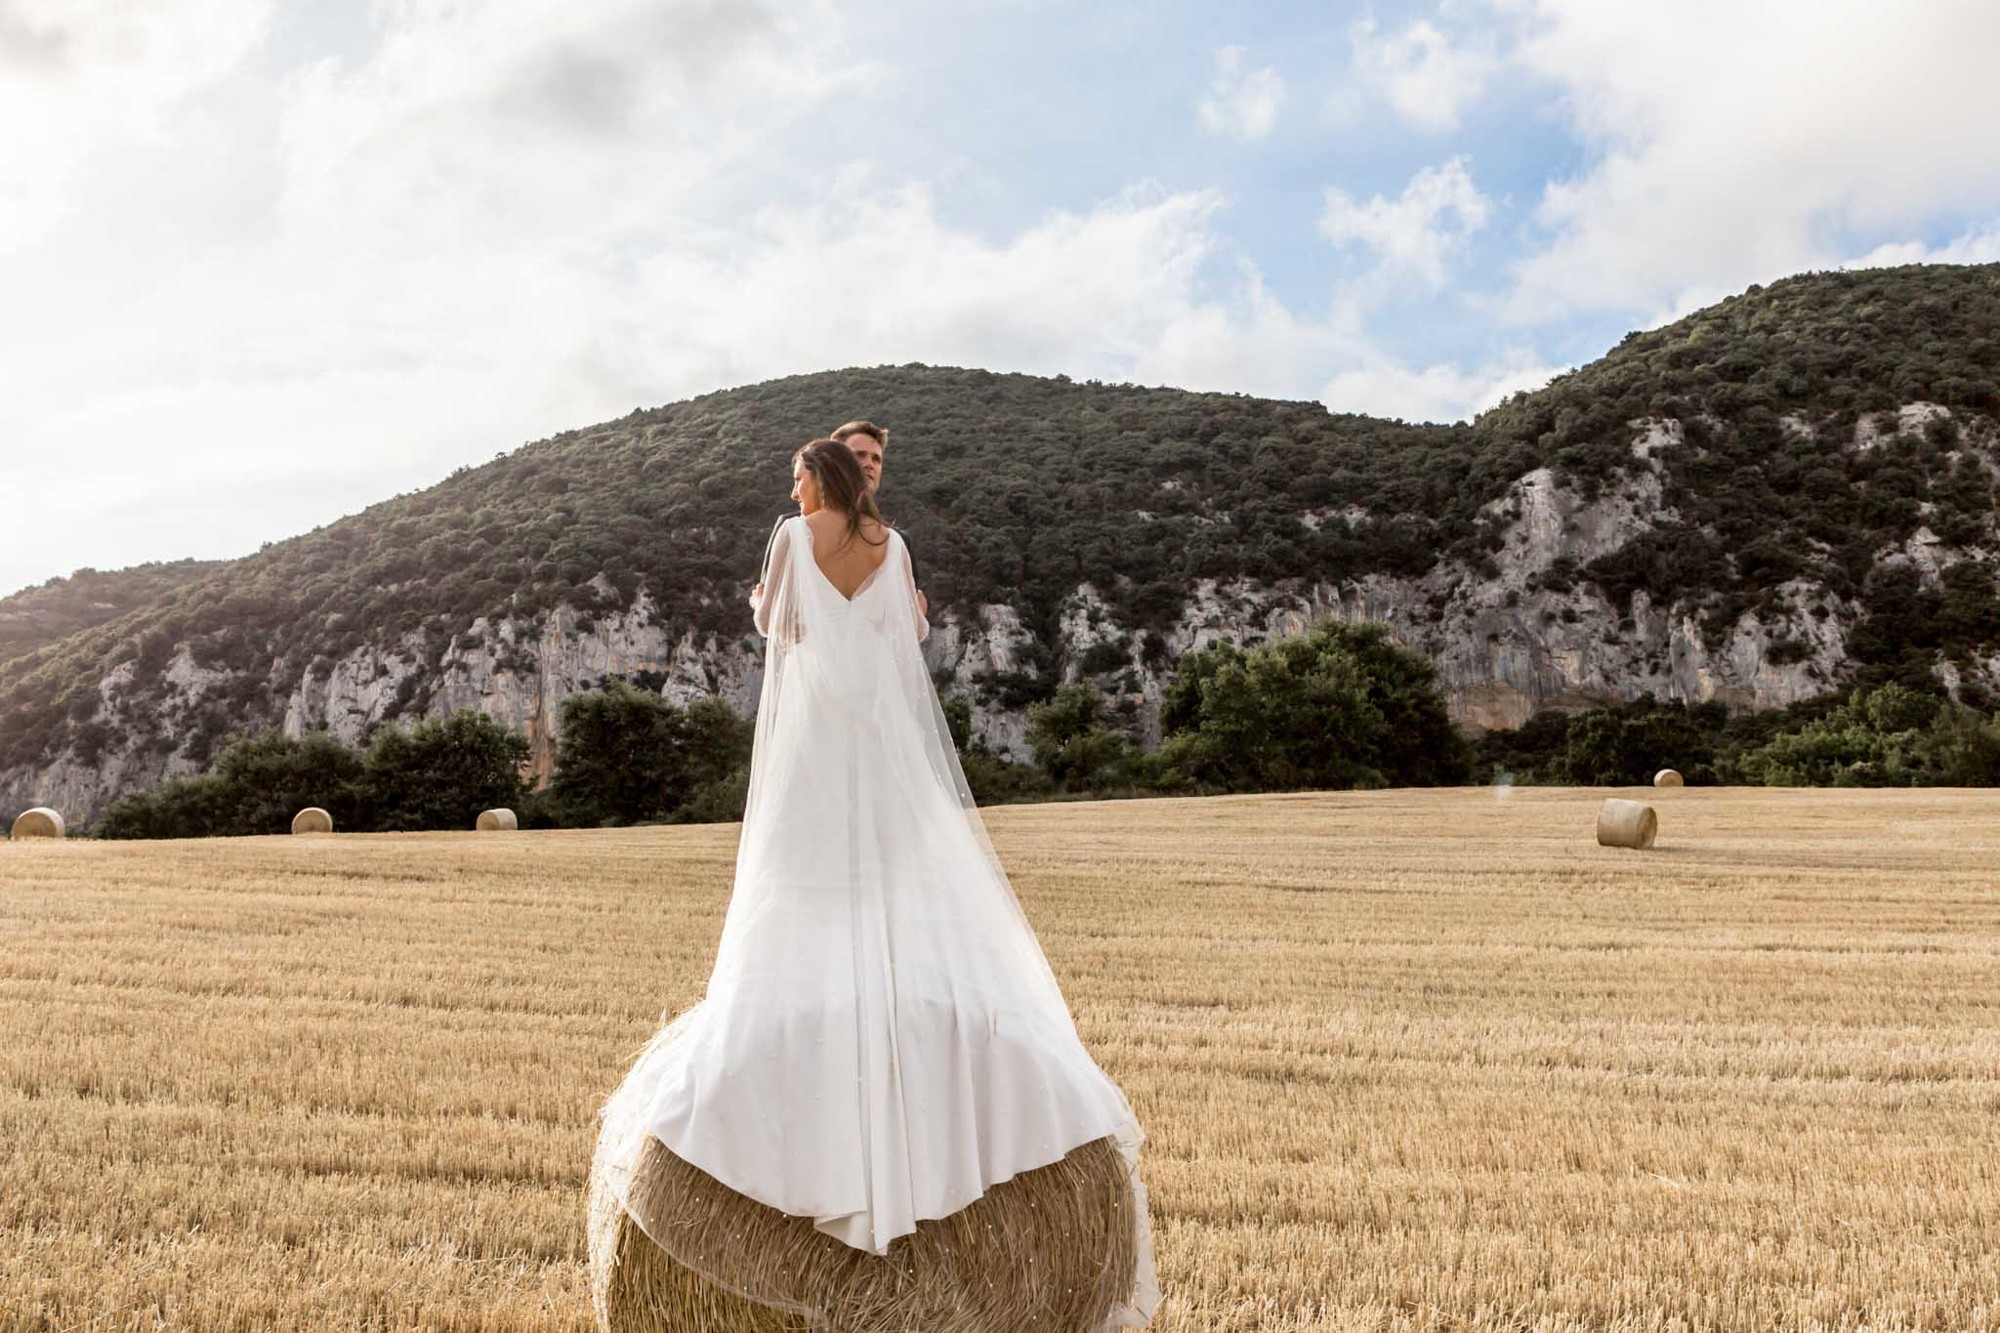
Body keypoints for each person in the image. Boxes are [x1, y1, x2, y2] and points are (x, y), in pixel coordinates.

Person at [597, 438, 1158, 1328]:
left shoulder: (791, 534)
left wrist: (762, 600)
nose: (792, 488)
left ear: (818, 479)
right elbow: (909, 640)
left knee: (801, 891)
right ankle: (901, 1054)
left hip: (816, 745)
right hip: (881, 752)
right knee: (892, 892)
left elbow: (775, 626)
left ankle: (818, 1055)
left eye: (797, 475)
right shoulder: (892, 548)